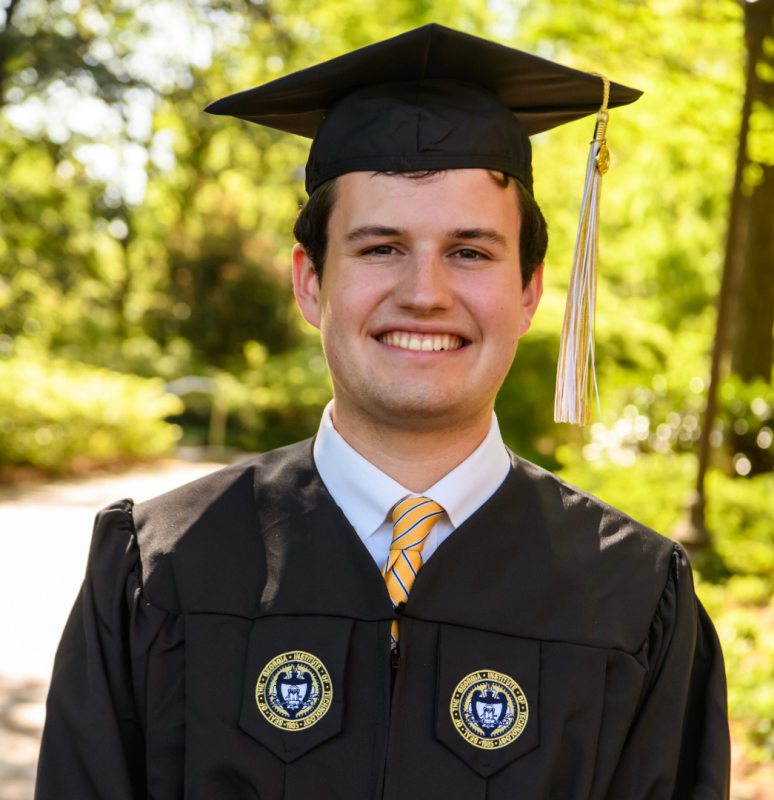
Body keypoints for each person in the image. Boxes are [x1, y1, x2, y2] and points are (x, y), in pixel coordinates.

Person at [35, 24, 730, 800]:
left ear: (530, 291)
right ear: (310, 283)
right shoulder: (158, 569)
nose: (426, 293)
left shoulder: (632, 596)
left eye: (470, 251)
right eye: (380, 248)